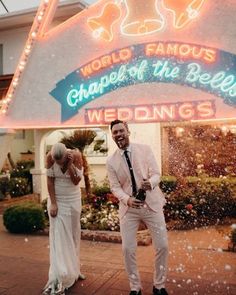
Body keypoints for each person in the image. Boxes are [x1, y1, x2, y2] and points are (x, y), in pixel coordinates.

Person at [106, 120, 169, 295]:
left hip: (152, 205)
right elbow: (114, 187)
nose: (118, 134)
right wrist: (127, 199)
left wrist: (152, 183)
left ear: (128, 131)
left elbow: (156, 173)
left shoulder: (145, 149)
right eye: (115, 132)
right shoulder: (110, 161)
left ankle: (159, 285)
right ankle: (135, 287)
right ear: (112, 136)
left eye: (121, 131)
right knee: (127, 249)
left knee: (162, 245)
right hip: (129, 209)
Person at [43, 143, 85, 295]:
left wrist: (70, 164)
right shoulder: (50, 157)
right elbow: (49, 182)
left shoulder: (76, 155)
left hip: (73, 199)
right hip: (57, 200)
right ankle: (61, 274)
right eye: (56, 161)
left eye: (60, 161)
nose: (58, 163)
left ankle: (75, 270)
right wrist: (53, 203)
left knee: (74, 235)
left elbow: (76, 181)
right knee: (59, 237)